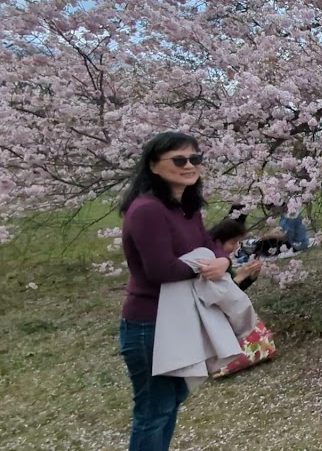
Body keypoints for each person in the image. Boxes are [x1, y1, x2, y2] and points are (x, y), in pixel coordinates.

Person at [118, 131, 232, 451]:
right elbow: (160, 270)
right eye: (179, 160)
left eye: (195, 159)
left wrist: (221, 261)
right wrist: (201, 266)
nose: (189, 166)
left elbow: (208, 245)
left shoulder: (186, 206)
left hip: (179, 317)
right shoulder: (146, 210)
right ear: (154, 166)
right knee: (154, 410)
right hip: (150, 323)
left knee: (171, 401)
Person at [208, 218, 263, 291]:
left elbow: (236, 291)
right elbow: (221, 296)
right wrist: (241, 276)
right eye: (233, 243)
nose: (236, 246)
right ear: (218, 242)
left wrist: (250, 276)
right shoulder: (207, 262)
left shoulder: (225, 263)